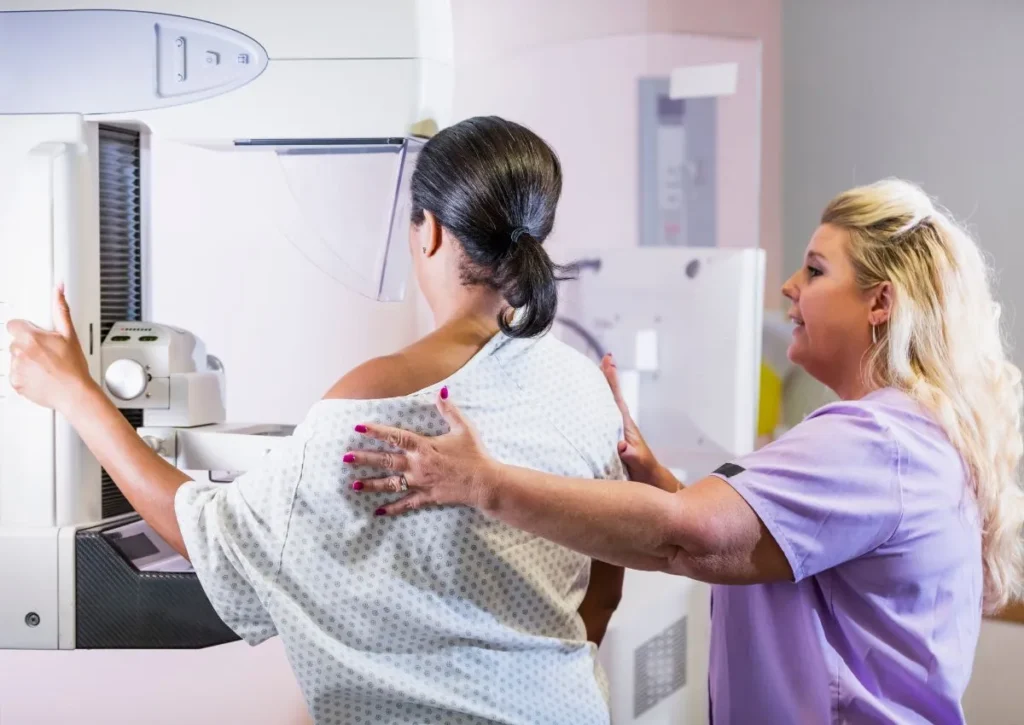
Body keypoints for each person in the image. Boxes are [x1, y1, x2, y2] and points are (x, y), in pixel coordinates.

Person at [6, 116, 626, 725]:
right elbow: (606, 582)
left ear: (428, 231)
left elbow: (206, 535)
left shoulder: (376, 398)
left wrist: (76, 394)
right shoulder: (583, 386)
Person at [343, 178, 1024, 724]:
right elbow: (754, 545)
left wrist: (478, 481)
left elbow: (691, 541)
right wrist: (659, 481)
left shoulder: (874, 441)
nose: (790, 286)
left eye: (815, 270)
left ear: (880, 303)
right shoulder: (912, 434)